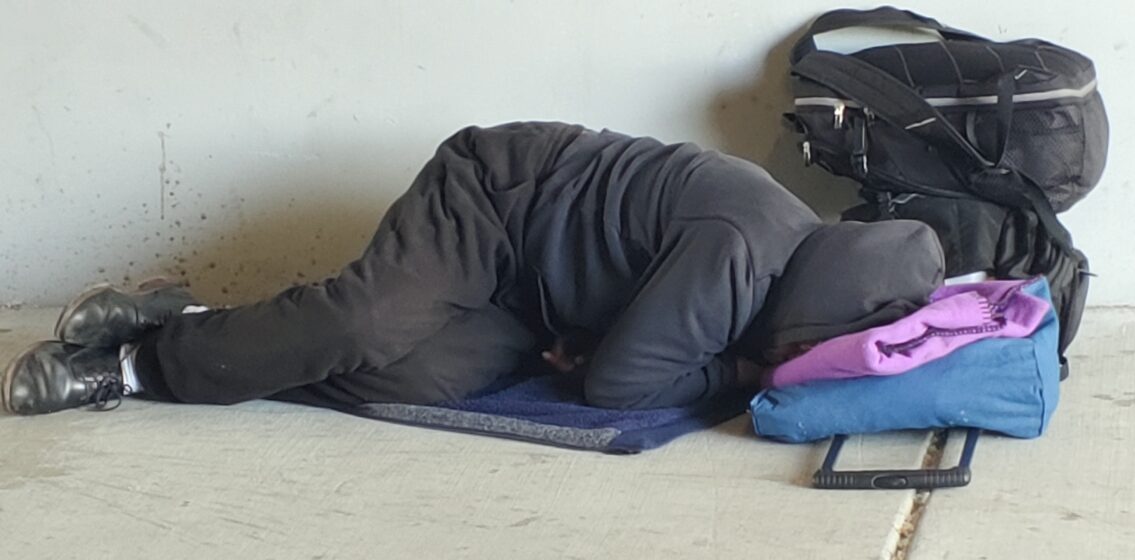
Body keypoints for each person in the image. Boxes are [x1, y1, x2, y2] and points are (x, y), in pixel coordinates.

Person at [1, 122, 943, 416]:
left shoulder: (784, 256)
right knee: (361, 324)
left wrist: (617, 346)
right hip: (493, 203)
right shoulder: (744, 253)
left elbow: (629, 356)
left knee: (407, 378)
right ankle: (136, 368)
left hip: (544, 299)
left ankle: (187, 316)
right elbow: (622, 388)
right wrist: (737, 374)